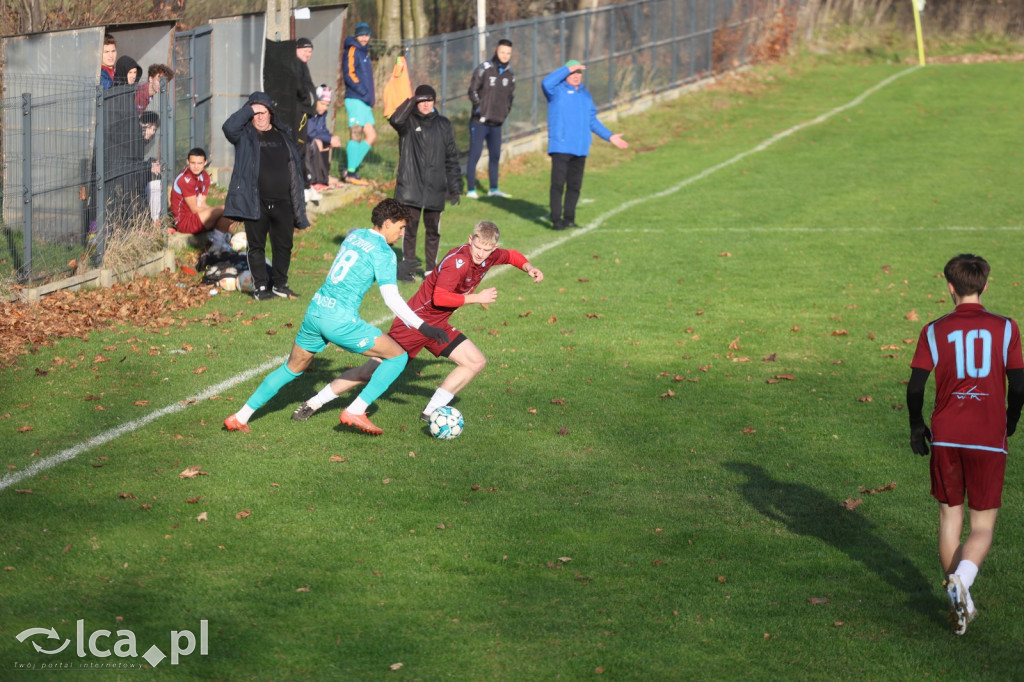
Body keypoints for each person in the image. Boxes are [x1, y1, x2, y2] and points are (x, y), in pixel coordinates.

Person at [224, 198, 450, 435]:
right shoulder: (384, 251)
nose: (403, 233)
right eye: (401, 227)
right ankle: (356, 410)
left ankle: (240, 416)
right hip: (339, 320)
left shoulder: (355, 235)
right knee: (397, 357)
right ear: (386, 223)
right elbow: (391, 299)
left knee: (292, 368)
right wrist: (424, 327)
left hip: (316, 310)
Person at [291, 220, 543, 424]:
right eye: (478, 248)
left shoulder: (490, 255)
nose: (482, 254)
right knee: (369, 371)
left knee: (475, 361)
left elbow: (510, 255)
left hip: (438, 325)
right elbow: (440, 297)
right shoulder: (459, 262)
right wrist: (477, 297)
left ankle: (431, 412)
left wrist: (529, 267)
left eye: (488, 250)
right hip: (414, 323)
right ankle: (314, 402)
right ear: (470, 240)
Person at [907, 253, 1024, 635]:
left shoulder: (933, 330)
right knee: (983, 526)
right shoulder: (1006, 328)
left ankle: (962, 601)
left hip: (947, 436)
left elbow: (915, 387)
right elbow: (1019, 385)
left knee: (949, 520)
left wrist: (915, 426)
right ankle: (964, 584)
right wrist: (1011, 419)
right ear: (986, 285)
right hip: (987, 438)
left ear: (950, 287)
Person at [222, 92, 309, 301]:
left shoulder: (283, 136)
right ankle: (260, 287)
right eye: (255, 113)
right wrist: (248, 110)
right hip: (255, 201)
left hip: (284, 202)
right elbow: (228, 127)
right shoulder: (244, 136)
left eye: (264, 112)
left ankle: (280, 284)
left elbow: (294, 167)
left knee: (284, 245)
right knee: (256, 246)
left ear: (271, 113)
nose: (260, 116)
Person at [542, 59, 629, 230]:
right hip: (561, 146)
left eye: (578, 73)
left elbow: (592, 121)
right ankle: (556, 220)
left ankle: (569, 218)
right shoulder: (556, 91)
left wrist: (610, 136)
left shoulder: (585, 96)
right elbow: (546, 82)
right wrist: (567, 68)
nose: (575, 76)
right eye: (572, 73)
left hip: (580, 148)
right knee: (558, 184)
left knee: (575, 186)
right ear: (566, 74)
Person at [389, 85, 462, 281]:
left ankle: (431, 271)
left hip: (435, 189)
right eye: (421, 101)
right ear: (416, 102)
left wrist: (455, 186)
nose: (426, 104)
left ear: (434, 102)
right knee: (409, 231)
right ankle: (408, 269)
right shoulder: (408, 122)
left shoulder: (444, 124)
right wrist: (410, 101)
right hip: (410, 187)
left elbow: (451, 157)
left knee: (433, 232)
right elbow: (395, 119)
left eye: (429, 100)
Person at [466, 39, 515, 199]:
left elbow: (510, 98)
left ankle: (494, 188)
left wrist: (504, 113)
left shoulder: (510, 74)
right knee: (475, 154)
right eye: (502, 52)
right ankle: (471, 190)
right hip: (480, 122)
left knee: (495, 156)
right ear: (496, 50)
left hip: (496, 123)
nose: (505, 55)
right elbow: (472, 90)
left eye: (508, 53)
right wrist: (479, 109)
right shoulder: (484, 69)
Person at [171, 147, 235, 249]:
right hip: (185, 221)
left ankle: (221, 244)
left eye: (199, 163)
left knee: (232, 212)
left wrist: (218, 213)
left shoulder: (205, 176)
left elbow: (202, 204)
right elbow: (194, 208)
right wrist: (218, 212)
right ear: (187, 162)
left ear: (205, 162)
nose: (196, 166)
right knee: (228, 209)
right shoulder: (185, 179)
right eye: (193, 163)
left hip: (198, 216)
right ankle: (217, 245)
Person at [341, 22, 376, 186]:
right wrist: (362, 91)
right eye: (361, 34)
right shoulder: (352, 50)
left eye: (366, 34)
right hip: (355, 99)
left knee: (372, 136)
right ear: (356, 35)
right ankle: (352, 172)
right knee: (356, 134)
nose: (364, 37)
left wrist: (369, 97)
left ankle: (350, 169)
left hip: (365, 101)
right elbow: (349, 74)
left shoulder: (365, 52)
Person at [293, 37, 319, 201]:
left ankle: (305, 185)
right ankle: (301, 186)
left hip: (304, 112)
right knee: (299, 149)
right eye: (305, 51)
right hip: (298, 113)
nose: (308, 54)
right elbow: (299, 87)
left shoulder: (302, 65)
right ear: (297, 49)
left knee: (302, 149)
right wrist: (308, 99)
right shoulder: (295, 64)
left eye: (310, 52)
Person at [304, 85, 344, 190]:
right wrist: (328, 138)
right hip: (303, 141)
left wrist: (332, 138)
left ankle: (324, 176)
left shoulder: (322, 113)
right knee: (317, 143)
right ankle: (315, 179)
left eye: (327, 105)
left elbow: (322, 130)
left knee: (326, 143)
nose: (325, 107)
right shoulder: (309, 111)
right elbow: (310, 132)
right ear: (315, 101)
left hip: (312, 139)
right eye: (322, 104)